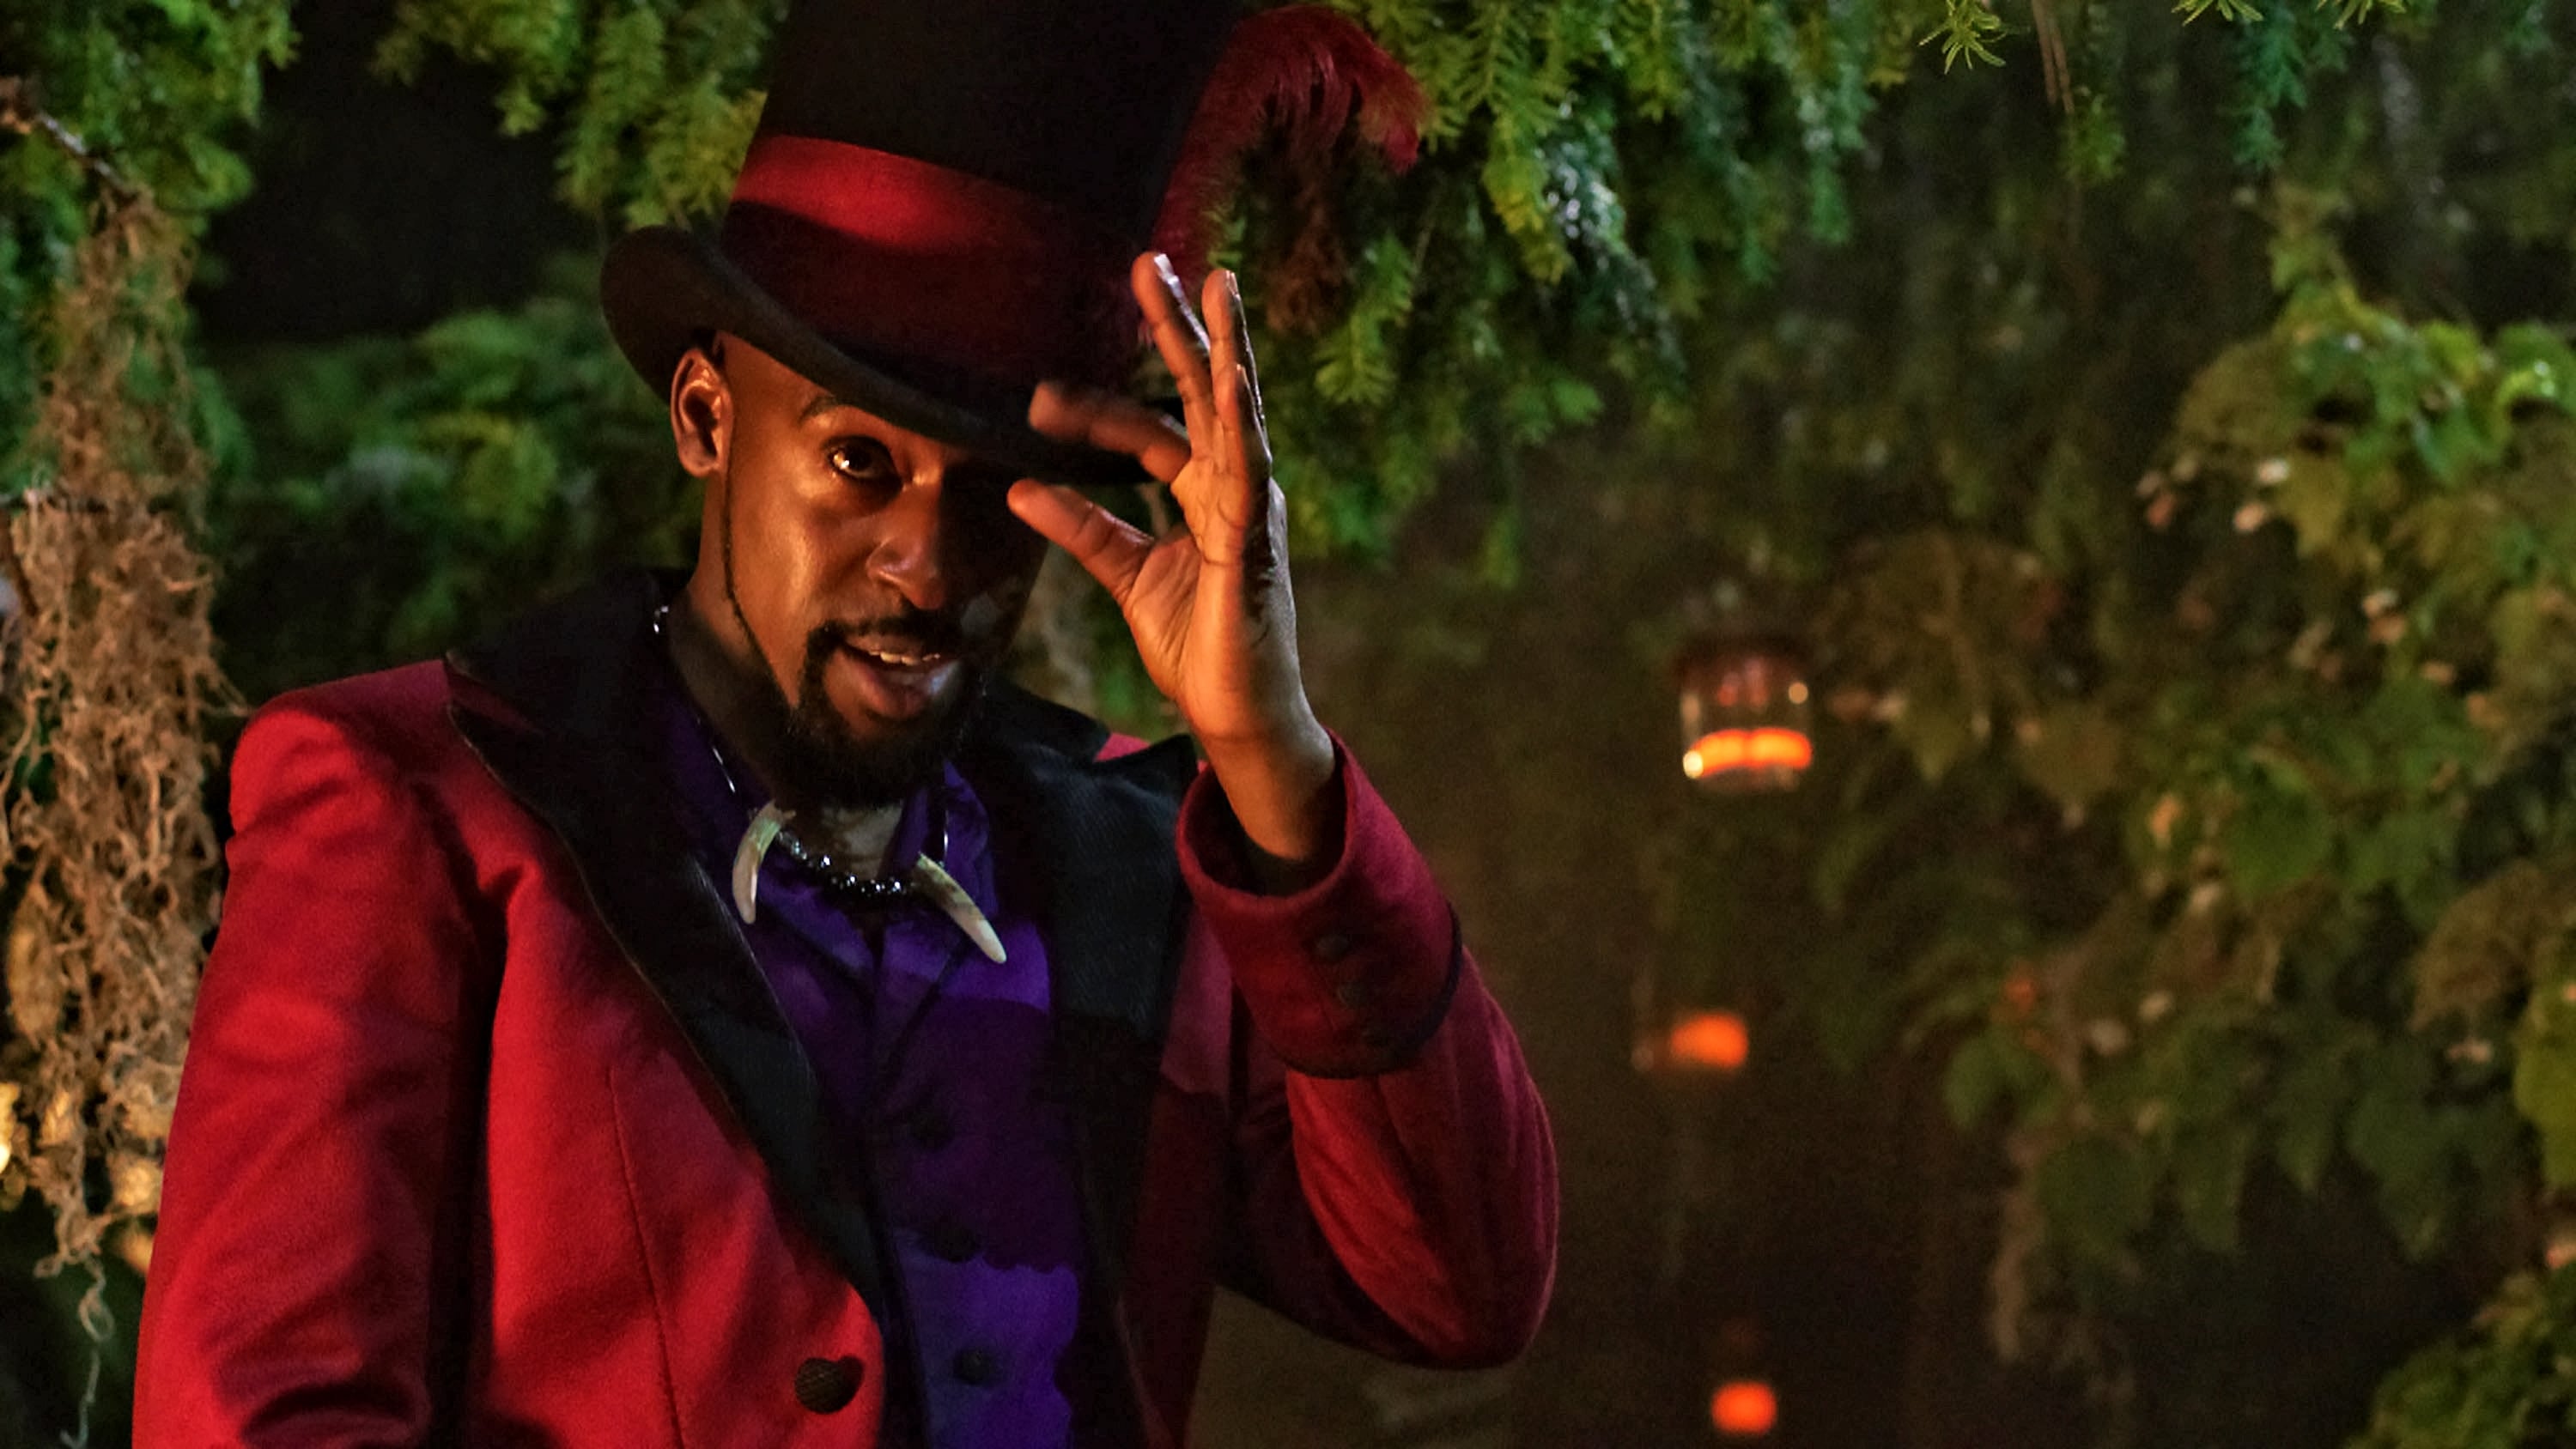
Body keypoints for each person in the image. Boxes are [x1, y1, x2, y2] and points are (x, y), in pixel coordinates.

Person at [132, 1, 1557, 1445]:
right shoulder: (423, 806)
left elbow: (1462, 1292)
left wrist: (1274, 761)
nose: (926, 568)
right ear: (707, 416)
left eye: (993, 490)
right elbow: (261, 1416)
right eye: (859, 463)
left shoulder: (1136, 866)